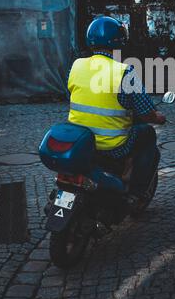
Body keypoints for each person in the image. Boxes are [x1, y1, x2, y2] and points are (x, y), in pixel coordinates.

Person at [67, 16, 166, 198]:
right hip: (111, 145)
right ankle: (135, 193)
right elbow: (145, 112)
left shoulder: (77, 65)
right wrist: (158, 117)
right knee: (147, 134)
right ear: (117, 41)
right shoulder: (124, 71)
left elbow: (73, 94)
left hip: (82, 141)